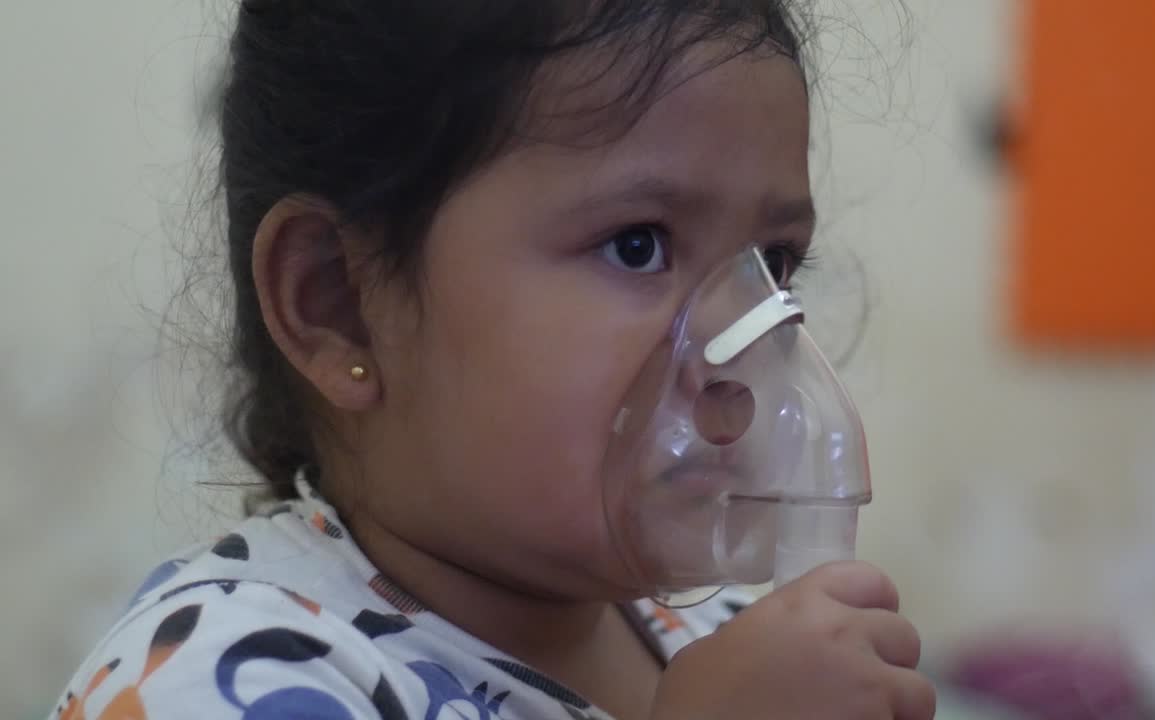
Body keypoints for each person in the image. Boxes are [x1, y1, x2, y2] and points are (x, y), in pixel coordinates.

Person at [52, 1, 934, 718]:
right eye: (637, 245)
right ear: (338, 305)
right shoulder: (223, 676)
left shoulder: (720, 643)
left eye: (774, 265)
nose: (748, 359)